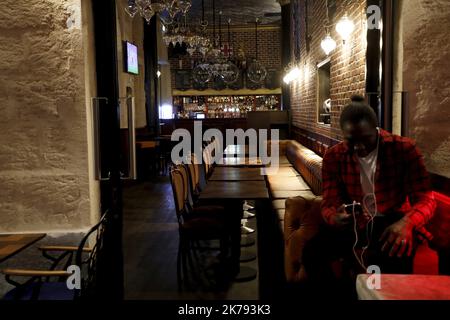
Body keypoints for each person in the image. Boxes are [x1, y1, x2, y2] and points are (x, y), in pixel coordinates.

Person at [303, 95, 436, 298]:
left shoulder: (403, 149)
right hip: (356, 222)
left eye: (365, 140)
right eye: (350, 141)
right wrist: (334, 217)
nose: (358, 148)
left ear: (376, 130)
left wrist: (407, 223)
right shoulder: (334, 156)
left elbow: (426, 199)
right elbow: (329, 202)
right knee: (312, 252)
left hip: (392, 221)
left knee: (394, 259)